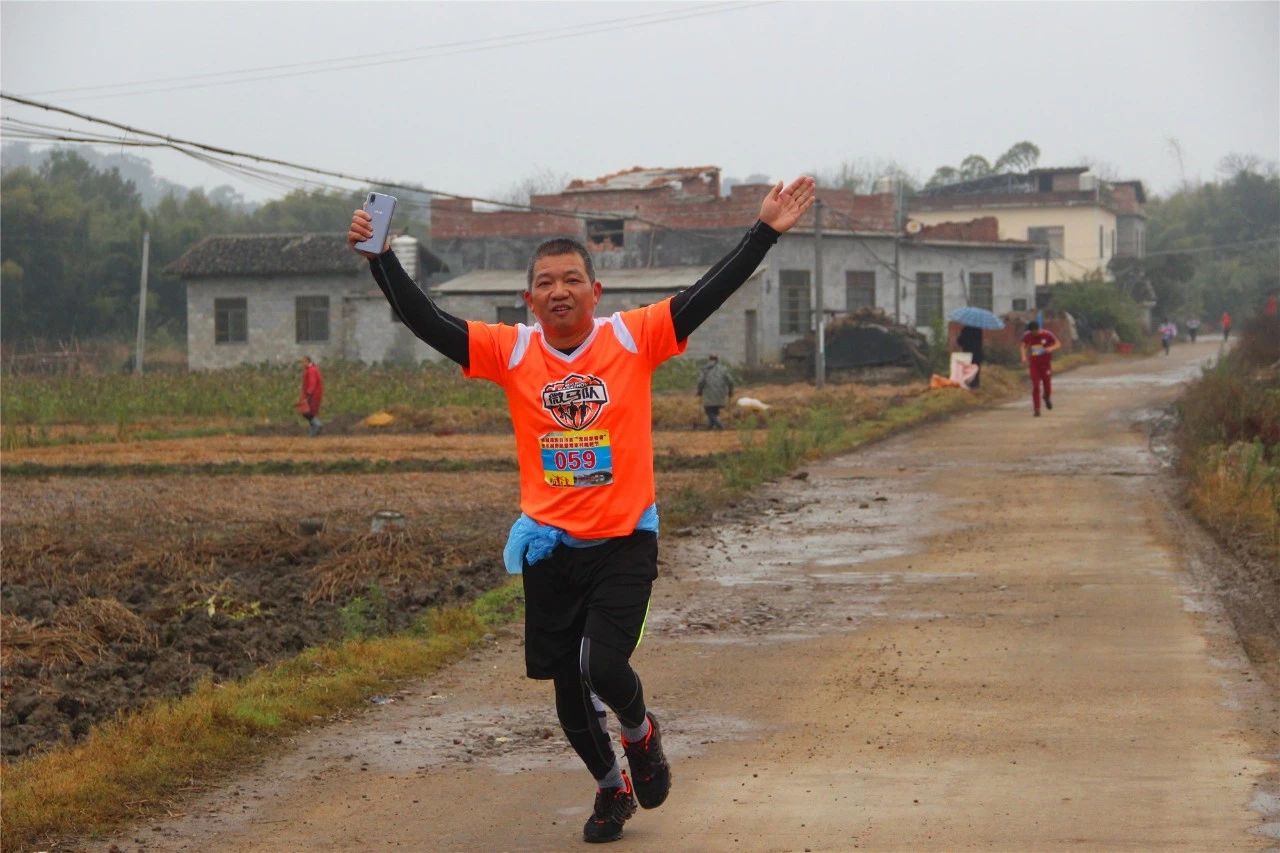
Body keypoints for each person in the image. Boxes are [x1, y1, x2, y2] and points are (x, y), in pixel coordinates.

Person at [349, 176, 816, 844]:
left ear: (596, 292)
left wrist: (764, 231)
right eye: (546, 281)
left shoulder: (635, 338)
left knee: (603, 666)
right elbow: (430, 321)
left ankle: (642, 734)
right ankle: (610, 788)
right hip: (550, 548)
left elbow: (708, 292)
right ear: (529, 297)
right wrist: (382, 258)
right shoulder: (512, 351)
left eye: (573, 278)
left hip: (625, 541)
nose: (559, 290)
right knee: (568, 696)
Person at [1020, 320, 1061, 417]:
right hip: (1034, 365)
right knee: (1035, 386)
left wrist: (1050, 348)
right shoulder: (1028, 335)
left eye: (1035, 332)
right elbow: (1023, 346)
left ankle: (1046, 397)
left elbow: (1058, 343)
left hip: (1045, 364)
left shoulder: (1047, 334)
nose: (1034, 334)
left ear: (1038, 329)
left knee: (1047, 385)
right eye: (1032, 332)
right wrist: (1023, 357)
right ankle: (1037, 409)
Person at [695, 354, 734, 429]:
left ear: (709, 359)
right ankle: (710, 426)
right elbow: (731, 381)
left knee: (708, 411)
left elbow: (700, 382)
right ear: (717, 360)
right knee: (715, 411)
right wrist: (730, 391)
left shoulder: (704, 369)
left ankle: (719, 424)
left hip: (709, 394)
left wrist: (699, 391)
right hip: (721, 394)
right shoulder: (723, 369)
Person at [296, 355, 324, 436]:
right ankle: (313, 430)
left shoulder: (311, 370)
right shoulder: (312, 369)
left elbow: (312, 383)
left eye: (303, 362)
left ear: (307, 361)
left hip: (313, 395)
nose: (302, 364)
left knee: (307, 412)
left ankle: (317, 425)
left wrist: (308, 393)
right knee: (309, 412)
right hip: (313, 394)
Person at [955, 324, 984, 389]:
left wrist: (958, 338)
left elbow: (960, 341)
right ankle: (976, 384)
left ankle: (968, 383)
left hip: (968, 353)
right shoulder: (979, 329)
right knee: (976, 368)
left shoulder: (965, 329)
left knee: (968, 369)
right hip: (977, 353)